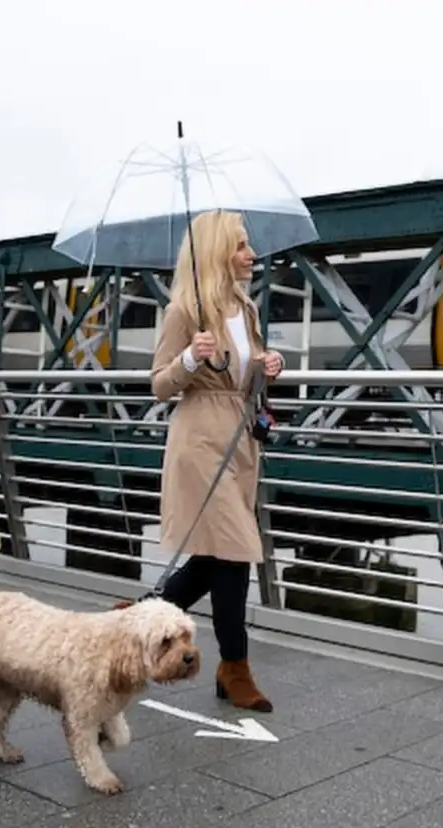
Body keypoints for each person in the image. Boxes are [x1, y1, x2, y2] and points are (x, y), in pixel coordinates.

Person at [144, 209, 284, 713]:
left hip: (239, 442)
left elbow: (249, 373)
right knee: (236, 550)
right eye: (241, 245)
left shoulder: (245, 308)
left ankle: (140, 621)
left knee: (212, 558)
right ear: (216, 252)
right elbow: (159, 384)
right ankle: (235, 666)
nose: (251, 255)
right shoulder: (184, 309)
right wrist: (189, 359)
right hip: (201, 440)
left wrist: (271, 365)